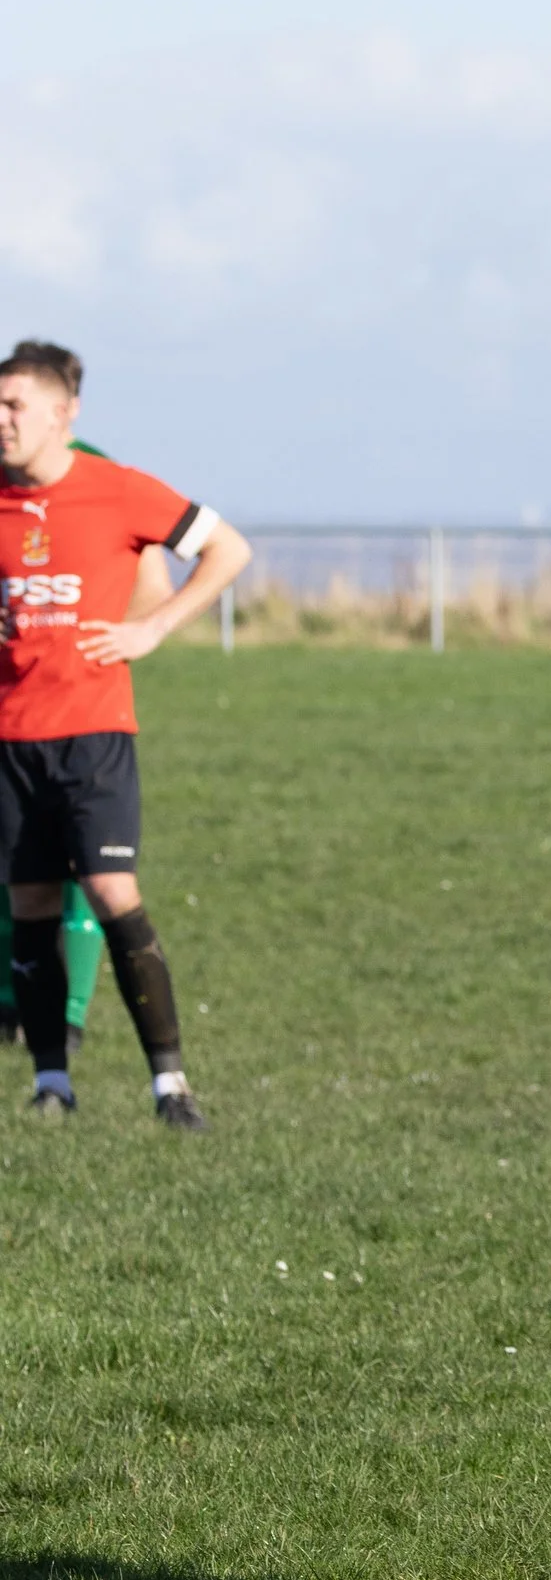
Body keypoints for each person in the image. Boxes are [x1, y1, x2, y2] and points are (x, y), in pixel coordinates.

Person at [0, 341, 252, 1128]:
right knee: (32, 902)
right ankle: (52, 1083)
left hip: (94, 734)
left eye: (14, 406)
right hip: (10, 739)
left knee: (113, 893)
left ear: (63, 414)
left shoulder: (116, 490)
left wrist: (155, 628)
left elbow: (228, 548)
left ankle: (171, 1087)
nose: (1, 420)